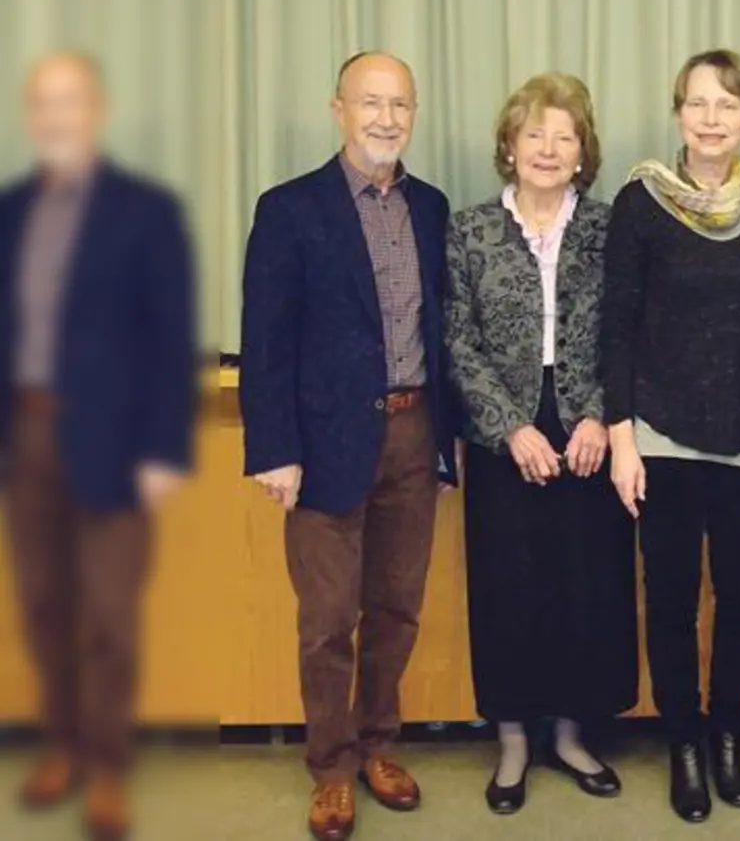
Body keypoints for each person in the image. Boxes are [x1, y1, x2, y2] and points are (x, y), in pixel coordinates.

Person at [240, 51, 459, 841]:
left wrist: (447, 443)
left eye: (400, 104)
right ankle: (330, 768)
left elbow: (443, 333)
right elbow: (264, 341)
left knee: (397, 609)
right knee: (328, 620)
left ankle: (378, 746)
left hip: (414, 432)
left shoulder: (431, 209)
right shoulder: (290, 209)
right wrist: (274, 448)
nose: (387, 118)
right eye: (371, 102)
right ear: (339, 109)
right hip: (323, 444)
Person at [0, 51, 195, 841]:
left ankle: (109, 764)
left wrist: (161, 449)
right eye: (42, 104)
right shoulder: (9, 209)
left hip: (115, 443)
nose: (56, 118)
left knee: (110, 615)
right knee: (44, 606)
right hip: (26, 434)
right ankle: (64, 746)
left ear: (97, 110)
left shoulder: (145, 210)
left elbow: (169, 333)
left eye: (70, 102)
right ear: (30, 115)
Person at [447, 72, 637, 816]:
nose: (549, 149)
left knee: (587, 589)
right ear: (509, 145)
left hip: (592, 431)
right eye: (535, 135)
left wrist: (596, 416)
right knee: (510, 590)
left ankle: (569, 734)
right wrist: (509, 426)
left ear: (582, 151)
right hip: (508, 437)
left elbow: (626, 330)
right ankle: (514, 742)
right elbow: (456, 340)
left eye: (564, 137)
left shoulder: (608, 225)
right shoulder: (469, 230)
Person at [601, 49, 740, 823]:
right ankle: (682, 741)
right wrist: (620, 437)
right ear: (678, 114)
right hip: (662, 433)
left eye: (727, 105)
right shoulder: (641, 202)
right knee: (670, 597)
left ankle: (728, 731)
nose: (712, 119)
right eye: (698, 104)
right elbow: (615, 328)